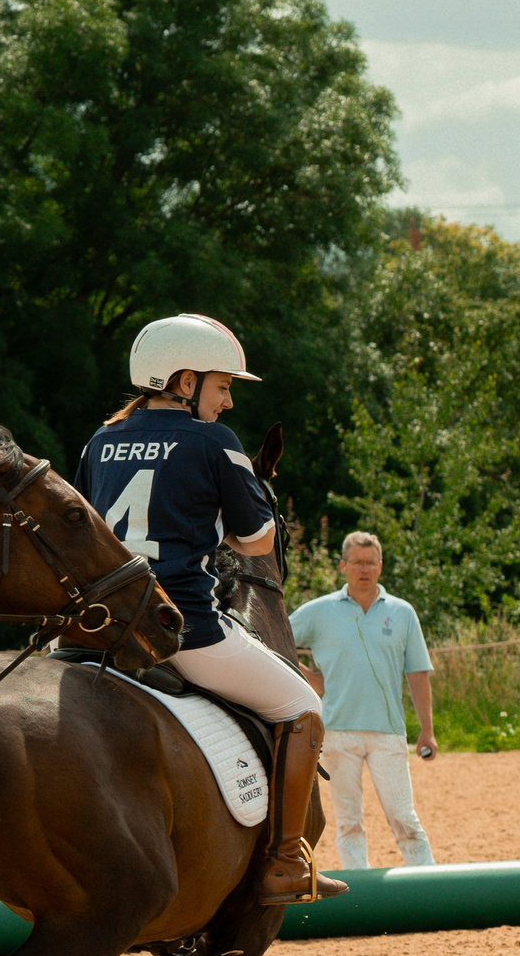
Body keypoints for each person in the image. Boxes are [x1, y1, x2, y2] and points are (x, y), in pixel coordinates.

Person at [75, 313, 346, 901]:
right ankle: (284, 863)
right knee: (303, 708)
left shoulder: (99, 441)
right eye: (223, 387)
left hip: (92, 629)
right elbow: (258, 542)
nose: (227, 403)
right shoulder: (213, 442)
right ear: (184, 380)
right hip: (180, 628)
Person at [289, 532, 438, 868]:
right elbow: (276, 636)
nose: (364, 569)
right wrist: (310, 679)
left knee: (403, 817)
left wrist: (427, 730)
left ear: (380, 567)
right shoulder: (319, 611)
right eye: (357, 562)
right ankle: (358, 893)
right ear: (343, 566)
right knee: (348, 823)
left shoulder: (403, 613)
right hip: (338, 733)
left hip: (388, 732)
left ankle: (428, 883)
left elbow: (417, 673)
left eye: (370, 562)